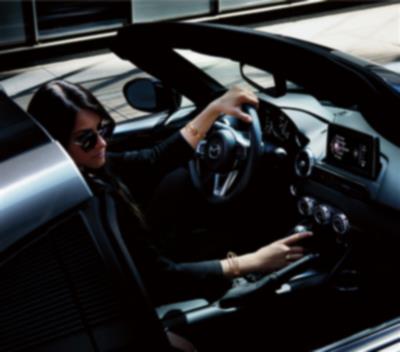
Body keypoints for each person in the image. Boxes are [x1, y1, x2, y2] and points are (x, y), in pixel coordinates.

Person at [28, 80, 312, 305]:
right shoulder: (91, 201)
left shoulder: (88, 170)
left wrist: (214, 109)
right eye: (86, 138)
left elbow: (154, 159)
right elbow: (160, 278)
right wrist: (253, 261)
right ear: (55, 144)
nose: (102, 143)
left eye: (103, 128)